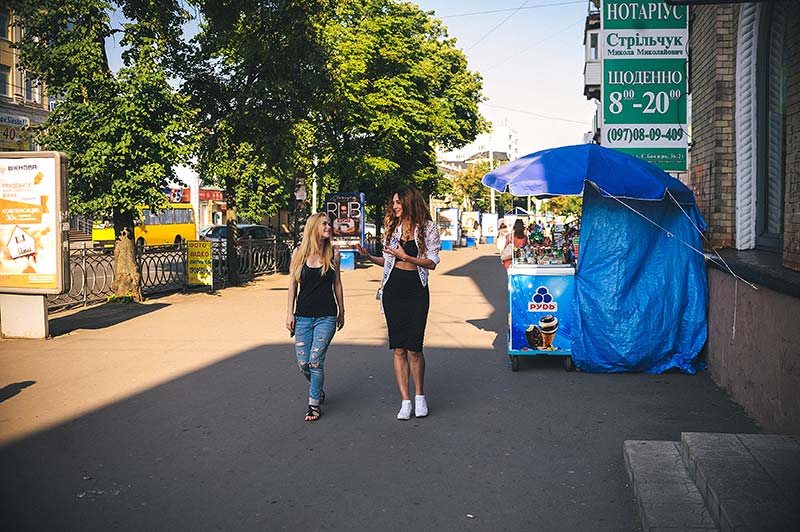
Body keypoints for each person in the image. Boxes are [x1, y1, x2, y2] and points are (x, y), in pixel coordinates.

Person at [357, 186, 441, 420]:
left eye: (397, 202)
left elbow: (432, 262)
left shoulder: (428, 228)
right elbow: (387, 261)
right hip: (393, 289)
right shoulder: (392, 228)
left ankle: (420, 396)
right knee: (398, 347)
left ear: (409, 202)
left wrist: (406, 257)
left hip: (416, 289)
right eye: (393, 202)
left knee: (415, 347)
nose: (394, 206)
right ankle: (405, 401)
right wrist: (368, 256)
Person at [286, 213, 345, 422]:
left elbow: (337, 284)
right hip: (302, 317)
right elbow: (292, 284)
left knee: (315, 361)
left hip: (326, 316)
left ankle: (313, 405)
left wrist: (341, 311)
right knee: (303, 363)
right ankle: (317, 388)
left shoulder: (333, 254)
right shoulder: (298, 254)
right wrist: (289, 313)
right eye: (325, 224)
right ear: (313, 228)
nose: (329, 227)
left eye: (330, 224)